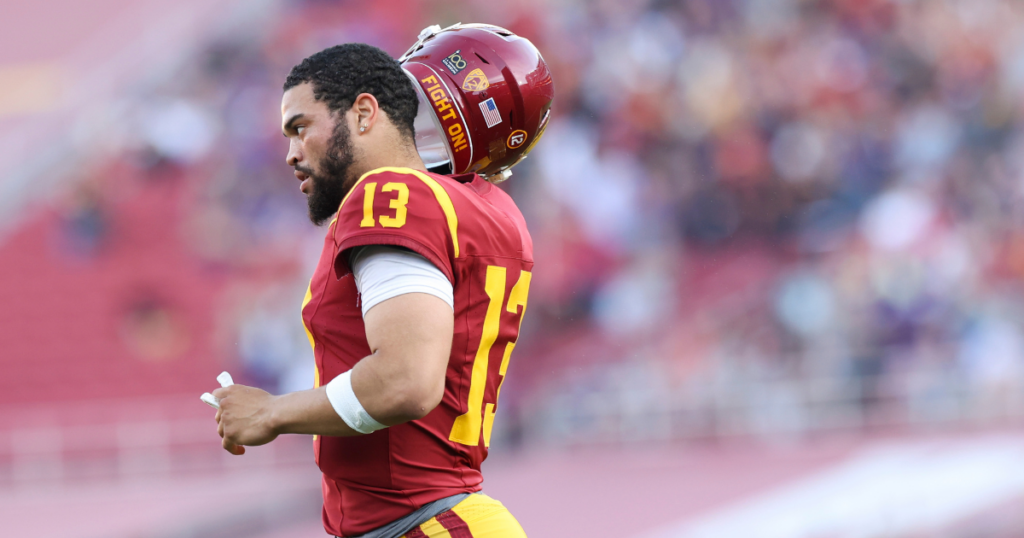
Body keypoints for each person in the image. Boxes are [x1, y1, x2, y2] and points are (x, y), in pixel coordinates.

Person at [211, 24, 553, 538]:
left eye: (301, 127)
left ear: (366, 113)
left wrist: (272, 412)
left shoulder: (391, 193)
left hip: (425, 522)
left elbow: (404, 381)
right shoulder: (489, 208)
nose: (291, 153)